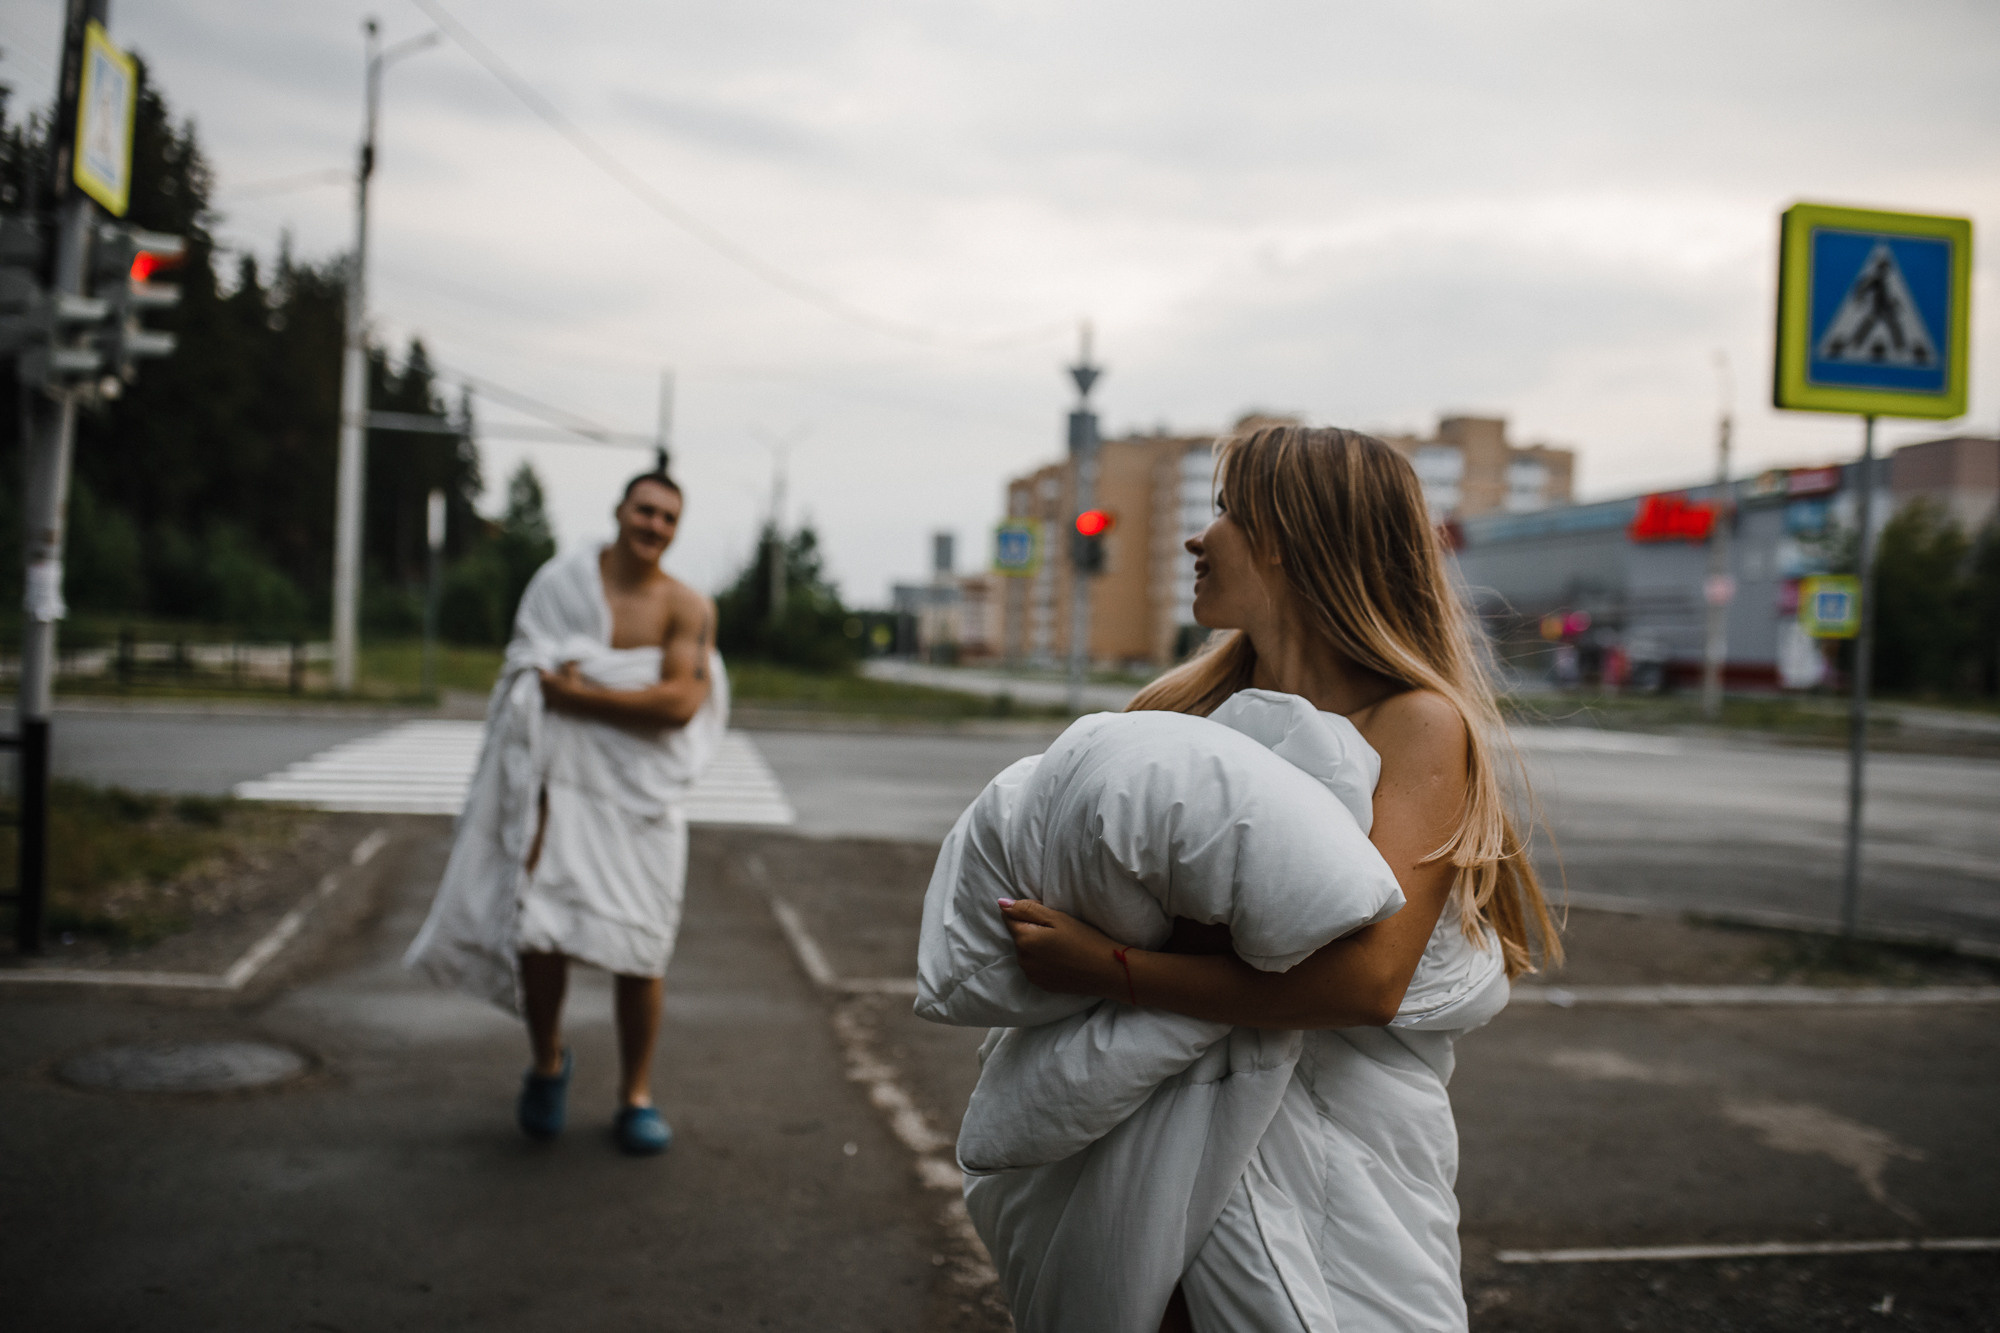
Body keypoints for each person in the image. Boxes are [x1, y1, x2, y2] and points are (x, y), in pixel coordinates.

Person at [994, 423, 1561, 1330]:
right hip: (1150, 1134)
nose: (1195, 536)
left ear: (1291, 540)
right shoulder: (1177, 714)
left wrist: (1111, 971)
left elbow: (1369, 982)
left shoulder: (1416, 724)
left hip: (1344, 1152)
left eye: (1223, 512)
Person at [405, 470, 725, 1156]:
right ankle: (547, 1062)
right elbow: (528, 671)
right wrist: (570, 691)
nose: (654, 526)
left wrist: (579, 695)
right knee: (543, 928)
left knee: (643, 943)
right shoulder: (562, 584)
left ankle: (635, 1094)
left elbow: (679, 704)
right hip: (559, 785)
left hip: (642, 800)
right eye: (645, 510)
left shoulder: (687, 606)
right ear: (619, 509)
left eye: (669, 517)